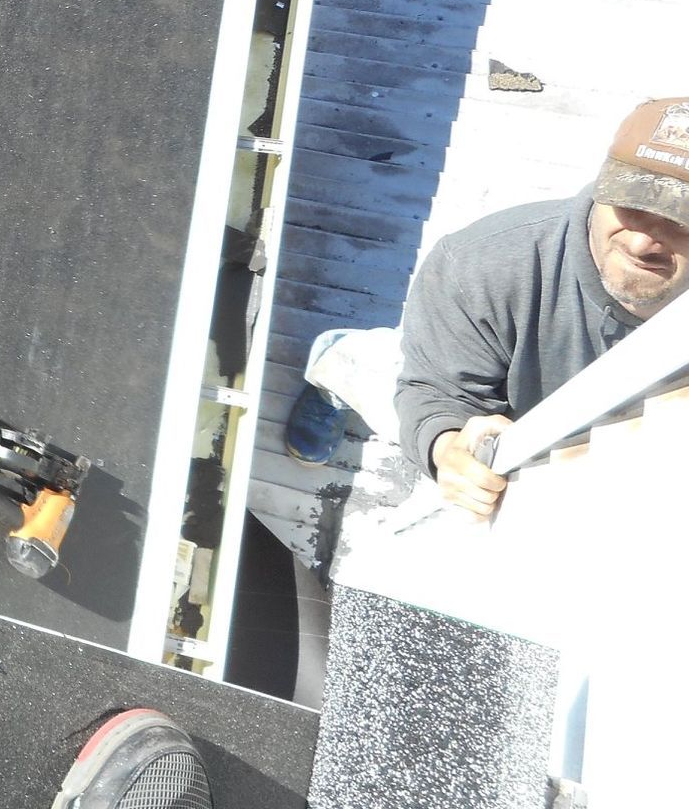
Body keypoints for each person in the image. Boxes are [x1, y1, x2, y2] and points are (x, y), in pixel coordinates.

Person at [285, 95, 689, 519]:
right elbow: (439, 394)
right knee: (388, 375)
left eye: (682, 219)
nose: (642, 243)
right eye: (632, 205)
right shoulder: (478, 265)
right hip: (470, 379)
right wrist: (449, 447)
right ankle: (336, 364)